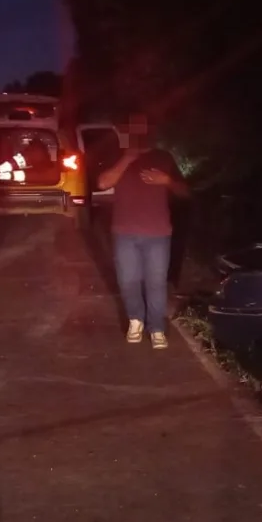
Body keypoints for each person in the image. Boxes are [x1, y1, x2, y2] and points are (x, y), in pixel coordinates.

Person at [97, 115, 189, 349]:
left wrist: (167, 180)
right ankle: (135, 320)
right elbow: (103, 183)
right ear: (128, 130)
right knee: (128, 281)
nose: (139, 131)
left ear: (150, 130)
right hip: (124, 232)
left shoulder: (164, 157)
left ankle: (156, 328)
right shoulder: (117, 155)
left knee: (156, 283)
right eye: (134, 127)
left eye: (143, 127)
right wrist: (127, 158)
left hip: (158, 233)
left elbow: (184, 192)